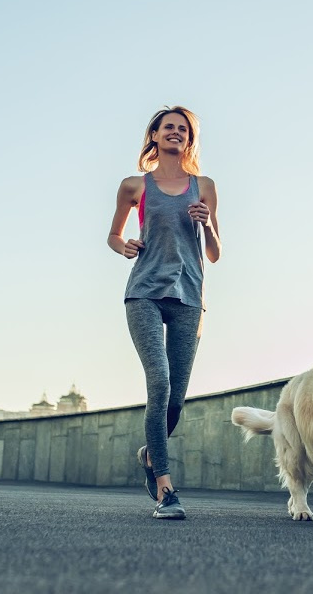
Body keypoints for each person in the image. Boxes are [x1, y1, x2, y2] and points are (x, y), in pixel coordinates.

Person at [107, 106, 221, 519]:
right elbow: (113, 234)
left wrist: (207, 224)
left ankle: (150, 453)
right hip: (144, 294)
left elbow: (215, 252)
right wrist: (125, 246)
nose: (175, 132)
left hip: (189, 297)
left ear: (189, 140)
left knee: (176, 398)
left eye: (183, 129)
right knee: (159, 382)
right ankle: (165, 489)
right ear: (154, 135)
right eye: (168, 127)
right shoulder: (134, 186)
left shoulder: (203, 186)